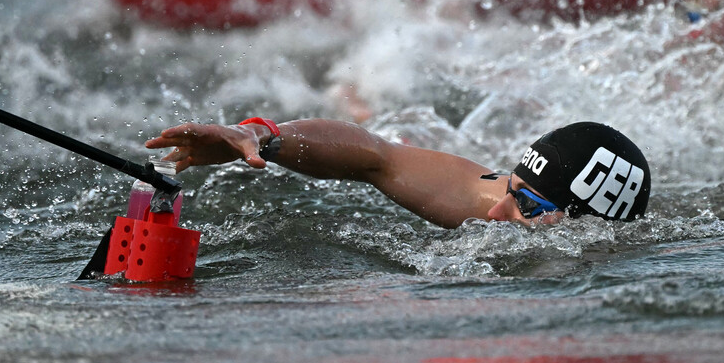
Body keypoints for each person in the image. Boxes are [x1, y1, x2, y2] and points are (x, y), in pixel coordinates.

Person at [145, 117, 650, 229]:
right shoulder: (487, 203)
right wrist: (259, 138)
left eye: (528, 206)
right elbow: (376, 155)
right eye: (510, 189)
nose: (496, 209)